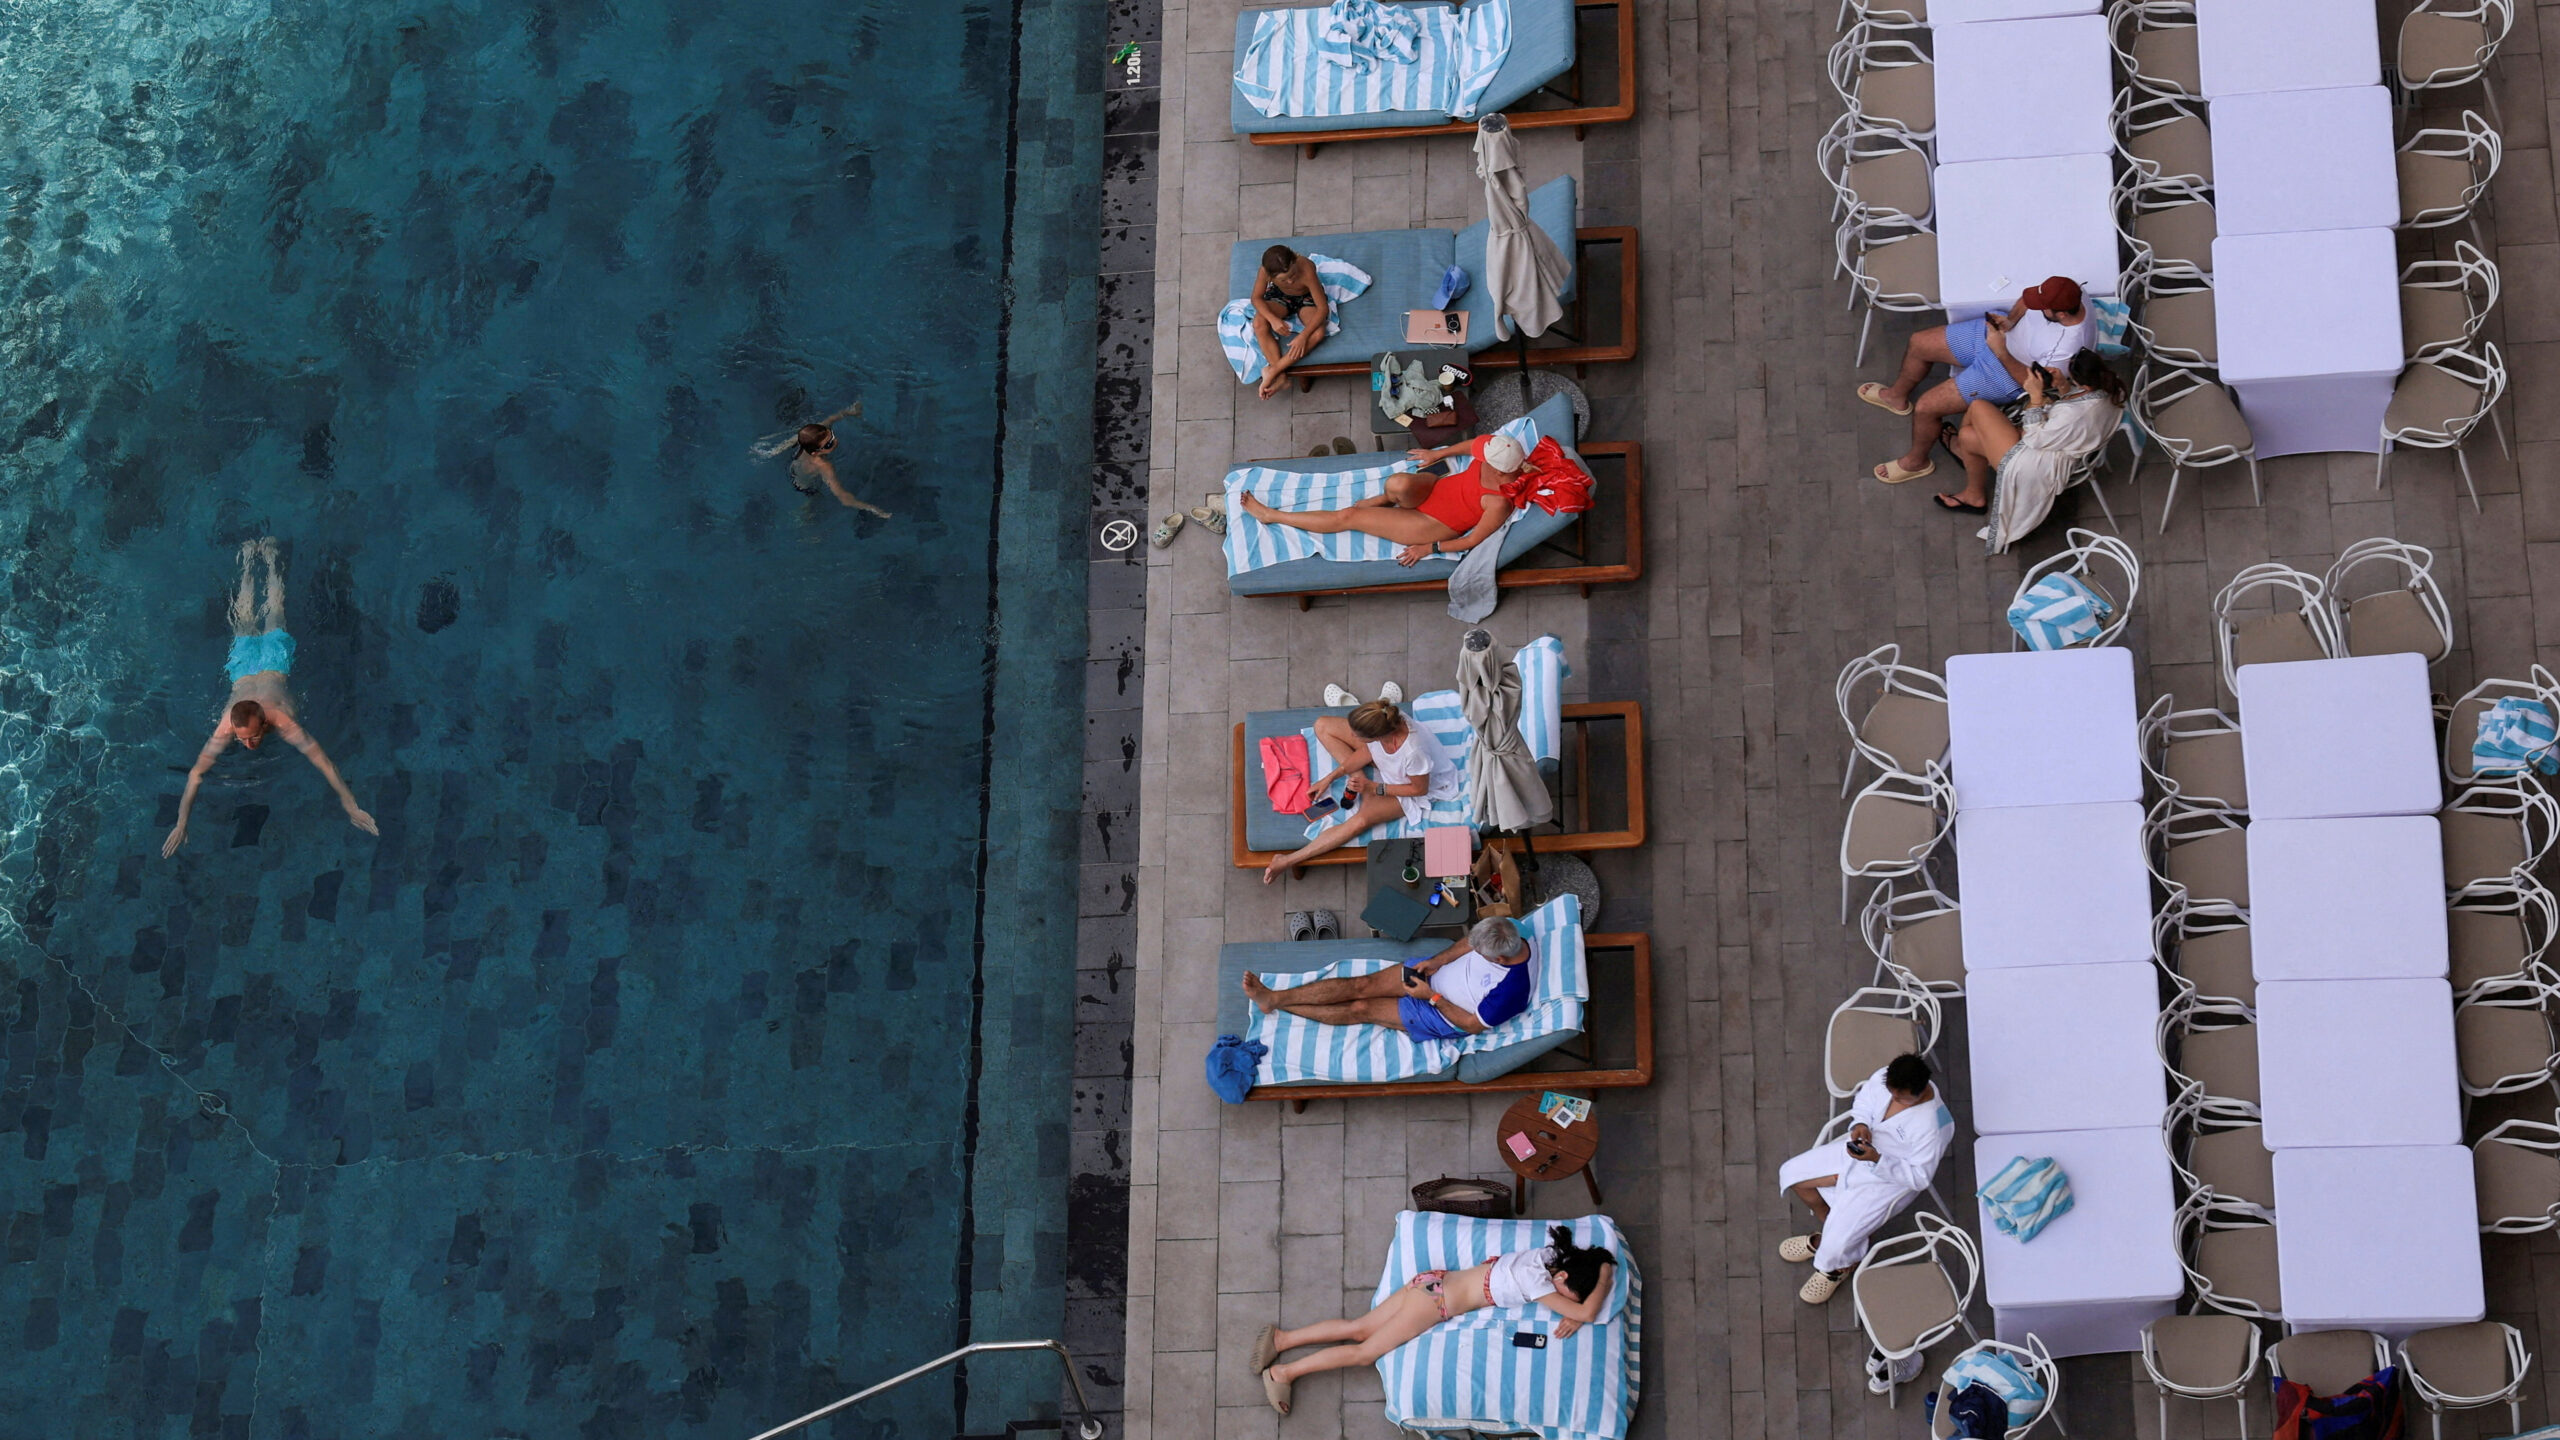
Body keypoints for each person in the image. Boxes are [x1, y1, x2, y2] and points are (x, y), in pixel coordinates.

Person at [1251, 1223, 1618, 1416]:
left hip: (1433, 1280)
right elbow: (1586, 1311)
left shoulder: (1545, 1256)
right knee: (1364, 1352)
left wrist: (1589, 1280)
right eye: (1569, 1295)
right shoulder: (1537, 1281)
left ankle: (1281, 1340)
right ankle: (1282, 1373)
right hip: (1435, 1304)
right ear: (1564, 1278)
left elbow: (1578, 1307)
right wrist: (1602, 1277)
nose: (1563, 1304)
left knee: (1358, 1327)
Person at [163, 539, 378, 857]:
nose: (248, 745)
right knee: (246, 616)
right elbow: (196, 773)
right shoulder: (227, 725)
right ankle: (250, 560)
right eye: (243, 738)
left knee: (274, 611)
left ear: (264, 721)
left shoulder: (282, 721)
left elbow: (324, 763)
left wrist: (351, 806)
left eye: (252, 738)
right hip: (243, 670)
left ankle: (272, 559)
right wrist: (182, 822)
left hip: (275, 664)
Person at [1858, 276, 2096, 486]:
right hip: (2000, 337)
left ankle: (1916, 462)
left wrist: (2000, 351)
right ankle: (1896, 396)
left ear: (2062, 314)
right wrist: (2010, 321)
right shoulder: (2072, 291)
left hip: (2009, 375)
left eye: (2043, 307)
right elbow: (2027, 300)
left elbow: (2032, 384)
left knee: (1926, 407)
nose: (2037, 306)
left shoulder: (2065, 351)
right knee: (1919, 342)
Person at [1775, 1053, 1955, 1306]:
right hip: (1857, 1151)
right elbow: (1865, 1101)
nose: (1893, 1100)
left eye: (1900, 1099)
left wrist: (1878, 1160)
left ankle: (1836, 1267)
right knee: (1792, 1173)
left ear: (1920, 1091)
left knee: (1836, 1246)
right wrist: (1860, 1123)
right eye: (1891, 1094)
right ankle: (1830, 1226)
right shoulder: (1886, 1077)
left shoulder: (1935, 1126)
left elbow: (1919, 1177)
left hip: (1888, 1181)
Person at [1238, 432, 1522, 568]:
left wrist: (1428, 548)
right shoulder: (1501, 450)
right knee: (1397, 483)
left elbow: (1472, 541)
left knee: (1349, 516)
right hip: (1436, 488)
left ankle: (1271, 516)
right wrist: (1437, 455)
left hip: (1431, 523)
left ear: (1500, 469)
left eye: (1485, 458)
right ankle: (1386, 498)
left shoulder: (1499, 503)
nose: (1479, 454)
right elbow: (1472, 445)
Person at [1936, 348, 2128, 546]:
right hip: (2059, 444)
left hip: (2035, 461)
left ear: (2084, 385)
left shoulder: (2073, 415)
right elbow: (2075, 404)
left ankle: (1966, 461)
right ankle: (1972, 490)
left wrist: (2035, 397)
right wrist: (2062, 385)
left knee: (1977, 407)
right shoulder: (2112, 386)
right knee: (1969, 437)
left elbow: (2034, 438)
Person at [1259, 698, 1461, 883]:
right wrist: (1330, 778)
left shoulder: (1413, 753)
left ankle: (1287, 860)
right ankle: (1359, 780)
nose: (1352, 736)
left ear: (1376, 736)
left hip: (1409, 786)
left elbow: (1419, 789)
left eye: (1358, 735)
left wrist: (1374, 788)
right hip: (1390, 765)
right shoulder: (1384, 720)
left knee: (1361, 821)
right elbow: (1367, 750)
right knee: (1322, 725)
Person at [1243, 915, 1537, 1040]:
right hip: (1430, 977)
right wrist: (1436, 961)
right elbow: (1469, 943)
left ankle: (1276, 1004)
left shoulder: (1513, 991)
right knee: (1362, 986)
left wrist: (1431, 997)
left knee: (1362, 1008)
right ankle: (1274, 998)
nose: (1474, 949)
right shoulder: (1507, 929)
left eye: (1482, 953)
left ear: (1500, 960)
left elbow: (1473, 1026)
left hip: (1441, 1014)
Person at [1249, 245, 1333, 399]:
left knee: (1319, 332)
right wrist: (1273, 319)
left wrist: (1303, 336)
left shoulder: (1306, 267)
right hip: (1280, 296)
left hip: (1306, 297)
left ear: (1295, 260)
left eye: (1293, 275)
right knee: (1259, 323)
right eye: (1283, 279)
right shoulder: (1264, 272)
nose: (1290, 280)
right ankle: (1282, 379)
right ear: (1270, 276)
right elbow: (1256, 298)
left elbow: (1322, 309)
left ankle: (1274, 370)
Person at [783, 402, 891, 516]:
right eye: (829, 445)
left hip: (793, 467)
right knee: (814, 501)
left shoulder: (808, 439)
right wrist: (874, 509)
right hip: (805, 486)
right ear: (815, 453)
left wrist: (850, 411)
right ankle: (804, 516)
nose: (835, 441)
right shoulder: (823, 466)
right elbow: (844, 498)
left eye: (832, 435)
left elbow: (830, 419)